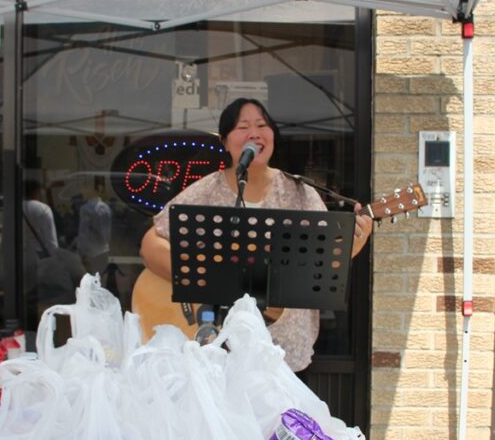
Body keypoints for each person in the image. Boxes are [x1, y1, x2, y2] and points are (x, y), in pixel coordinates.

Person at [139, 98, 373, 372]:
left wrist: (355, 241)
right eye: (243, 126)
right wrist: (202, 278)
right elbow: (150, 245)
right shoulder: (207, 190)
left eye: (262, 125)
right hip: (216, 349)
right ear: (225, 142)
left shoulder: (299, 193)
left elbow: (322, 263)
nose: (254, 133)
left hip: (281, 352)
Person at [77, 177, 112, 275]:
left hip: (90, 252)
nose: (82, 191)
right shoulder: (106, 208)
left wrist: (80, 251)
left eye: (85, 188)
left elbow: (83, 232)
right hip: (104, 250)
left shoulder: (86, 209)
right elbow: (107, 233)